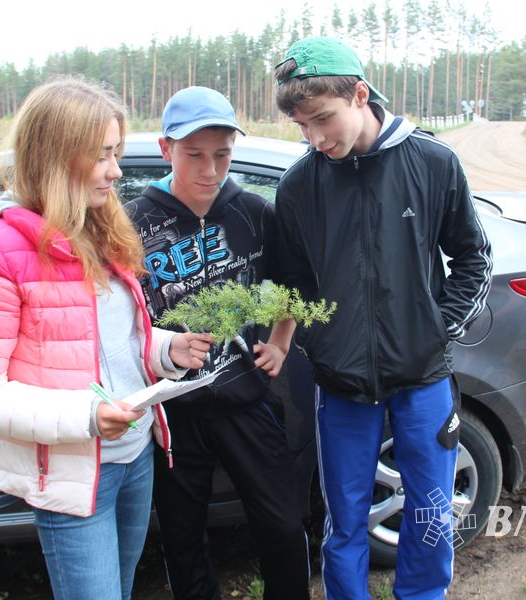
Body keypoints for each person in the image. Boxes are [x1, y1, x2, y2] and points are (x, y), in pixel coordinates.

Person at [0, 77, 213, 600]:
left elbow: (102, 341)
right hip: (73, 476)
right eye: (102, 155)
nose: (116, 170)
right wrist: (86, 417)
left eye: (116, 152)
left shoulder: (99, 230)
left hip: (135, 456)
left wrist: (163, 350)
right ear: (55, 157)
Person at [272, 38, 493, 600]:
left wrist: (436, 329)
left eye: (323, 119)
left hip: (423, 379)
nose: (316, 139)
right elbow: (290, 282)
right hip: (341, 384)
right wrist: (319, 344)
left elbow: (474, 256)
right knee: (344, 520)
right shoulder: (301, 184)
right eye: (303, 127)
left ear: (360, 95)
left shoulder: (433, 162)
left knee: (430, 512)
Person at [123, 86, 310, 600]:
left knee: (281, 523)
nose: (210, 170)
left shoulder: (251, 212)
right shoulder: (133, 224)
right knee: (182, 536)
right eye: (194, 156)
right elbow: (116, 315)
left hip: (246, 400)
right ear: (166, 150)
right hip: (172, 412)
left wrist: (280, 341)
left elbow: (295, 282)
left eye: (222, 155)